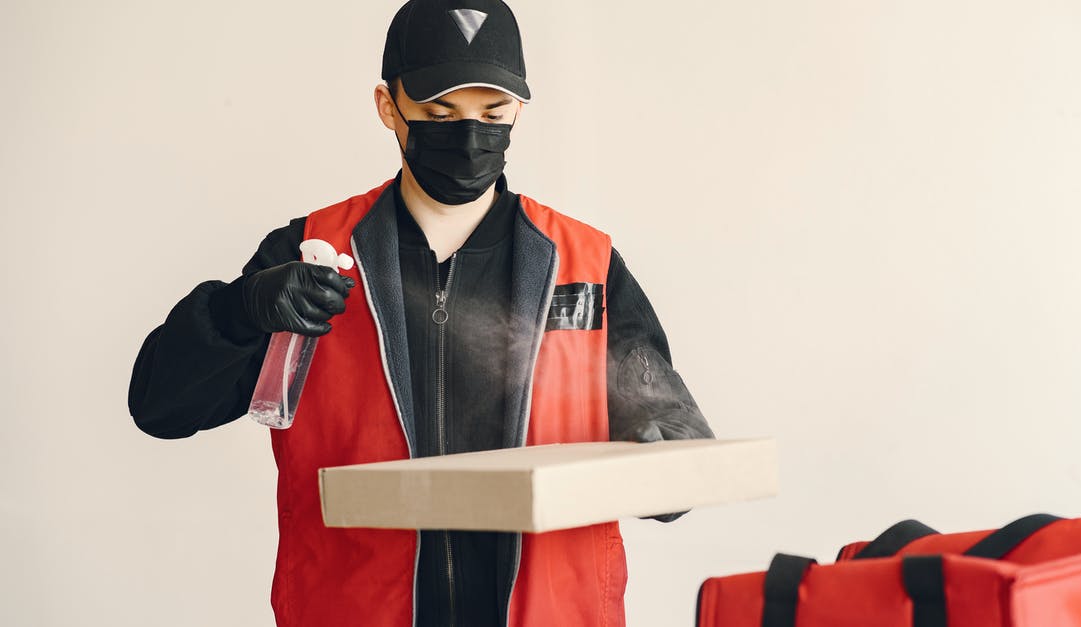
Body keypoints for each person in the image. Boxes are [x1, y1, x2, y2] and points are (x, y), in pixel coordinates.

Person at [127, 1, 714, 626]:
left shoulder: (587, 266)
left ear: (519, 109)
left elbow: (676, 453)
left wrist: (660, 460)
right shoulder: (311, 254)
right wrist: (239, 310)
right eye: (439, 114)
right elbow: (160, 408)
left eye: (491, 113)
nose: (469, 135)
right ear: (388, 107)